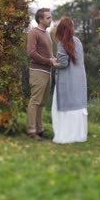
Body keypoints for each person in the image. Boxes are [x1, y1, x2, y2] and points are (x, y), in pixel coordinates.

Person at [51, 17, 88, 143]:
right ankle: (79, 135)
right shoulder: (78, 41)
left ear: (60, 29)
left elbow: (63, 64)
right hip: (79, 81)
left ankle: (65, 135)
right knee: (77, 105)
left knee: (63, 107)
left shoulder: (62, 44)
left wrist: (53, 62)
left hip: (66, 82)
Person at [26, 8, 58, 141]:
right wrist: (48, 61)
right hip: (37, 71)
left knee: (42, 102)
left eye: (50, 17)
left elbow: (48, 54)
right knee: (35, 101)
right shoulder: (34, 32)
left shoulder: (47, 33)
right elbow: (31, 53)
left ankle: (39, 130)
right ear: (40, 19)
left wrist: (54, 59)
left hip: (47, 72)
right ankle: (31, 131)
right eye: (48, 18)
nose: (50, 20)